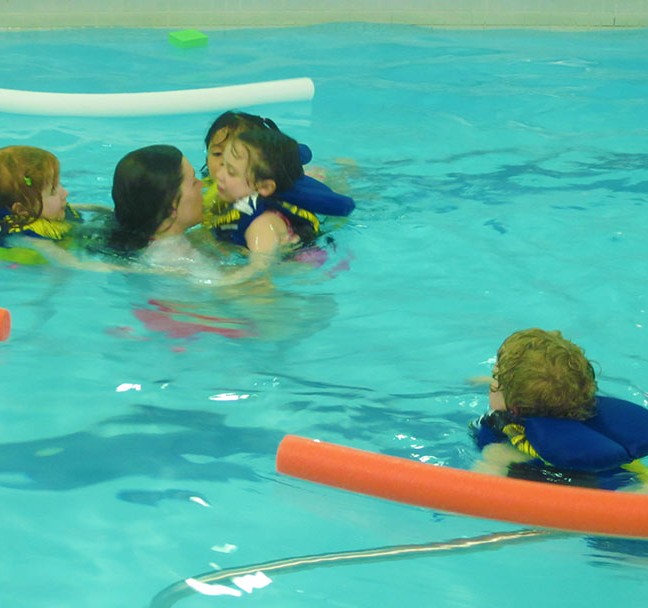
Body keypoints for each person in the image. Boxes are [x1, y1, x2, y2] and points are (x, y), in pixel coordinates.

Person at [471, 328, 648, 489]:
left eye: (494, 379)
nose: (490, 383)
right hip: (629, 476)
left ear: (514, 408)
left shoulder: (503, 450)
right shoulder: (594, 430)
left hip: (577, 502)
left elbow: (478, 492)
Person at [201, 110, 355, 257]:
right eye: (217, 154)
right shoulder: (209, 187)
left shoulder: (266, 217)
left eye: (238, 159)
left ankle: (347, 169)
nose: (224, 164)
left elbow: (262, 264)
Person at [108, 144, 257, 286]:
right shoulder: (175, 258)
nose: (202, 185)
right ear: (172, 208)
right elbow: (225, 286)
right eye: (193, 182)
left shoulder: (157, 244)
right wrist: (262, 264)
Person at [0, 145, 115, 269]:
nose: (65, 193)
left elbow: (85, 207)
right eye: (53, 191)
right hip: (30, 266)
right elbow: (73, 264)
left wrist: (104, 210)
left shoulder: (34, 209)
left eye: (59, 184)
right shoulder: (29, 238)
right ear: (22, 210)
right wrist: (132, 269)